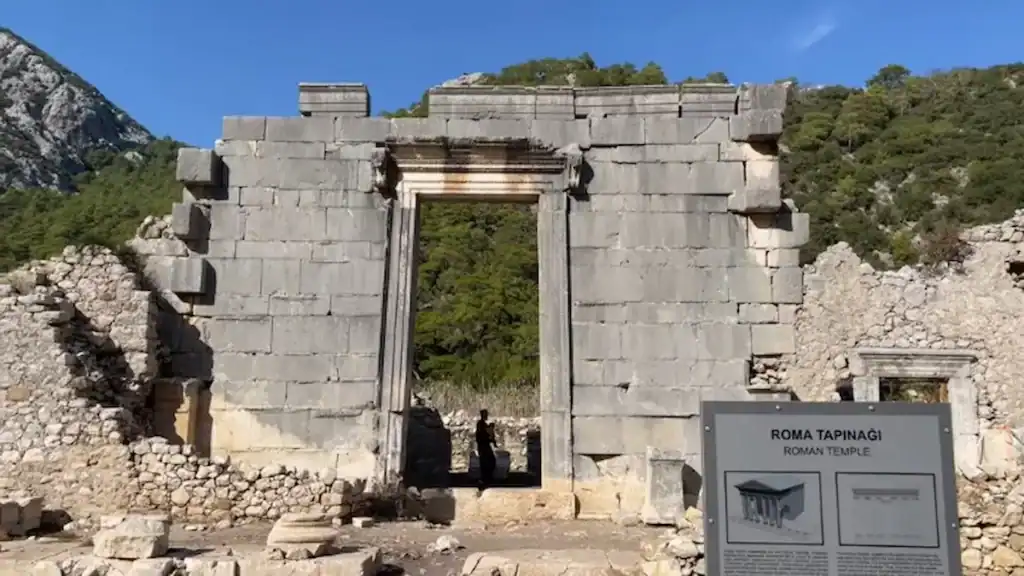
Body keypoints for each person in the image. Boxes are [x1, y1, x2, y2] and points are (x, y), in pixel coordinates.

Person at [475, 409, 497, 489]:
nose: (487, 415)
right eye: (485, 414)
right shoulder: (481, 424)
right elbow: (482, 436)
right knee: (488, 462)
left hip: (484, 446)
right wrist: (491, 440)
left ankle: (486, 479)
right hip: (483, 446)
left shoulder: (482, 424)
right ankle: (485, 479)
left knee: (488, 461)